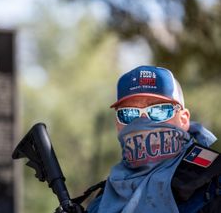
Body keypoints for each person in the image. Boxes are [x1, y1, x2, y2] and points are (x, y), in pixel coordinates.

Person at [85, 65, 221, 213]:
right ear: (118, 124)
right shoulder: (102, 199)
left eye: (159, 110)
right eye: (129, 114)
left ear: (183, 120)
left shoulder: (214, 183)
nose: (142, 121)